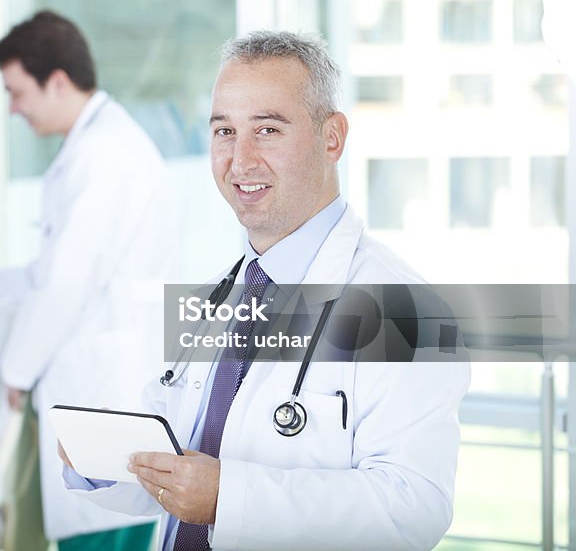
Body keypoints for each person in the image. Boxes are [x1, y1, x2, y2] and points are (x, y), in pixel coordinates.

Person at [60, 30, 471, 550]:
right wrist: (102, 462)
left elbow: (414, 508)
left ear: (332, 138)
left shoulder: (405, 308)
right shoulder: (213, 296)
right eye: (224, 131)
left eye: (268, 130)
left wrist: (229, 498)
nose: (240, 159)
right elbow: (176, 467)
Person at [0, 10, 180, 550]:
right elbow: (46, 271)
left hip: (109, 388)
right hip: (97, 385)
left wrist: (15, 373)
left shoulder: (104, 155)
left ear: (59, 81)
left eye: (17, 92)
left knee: (109, 530)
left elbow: (65, 283)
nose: (12, 108)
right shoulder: (92, 148)